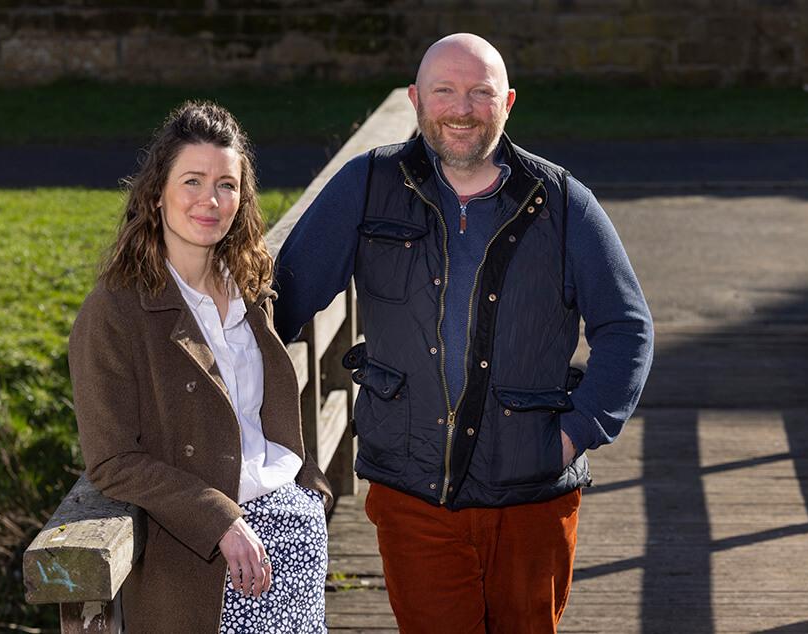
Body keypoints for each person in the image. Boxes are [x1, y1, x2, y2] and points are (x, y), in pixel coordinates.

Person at [273, 34, 653, 632]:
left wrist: (575, 434)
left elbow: (627, 327)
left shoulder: (561, 201)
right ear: (415, 99)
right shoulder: (366, 186)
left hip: (532, 497)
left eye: (480, 92)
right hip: (412, 492)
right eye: (444, 90)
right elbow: (277, 305)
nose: (461, 108)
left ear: (508, 102)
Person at [68, 100, 333, 633]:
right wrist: (219, 519)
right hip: (206, 562)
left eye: (227, 185)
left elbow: (262, 415)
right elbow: (112, 460)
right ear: (156, 193)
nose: (210, 200)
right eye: (192, 181)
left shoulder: (251, 287)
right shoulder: (116, 310)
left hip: (296, 539)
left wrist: (310, 488)